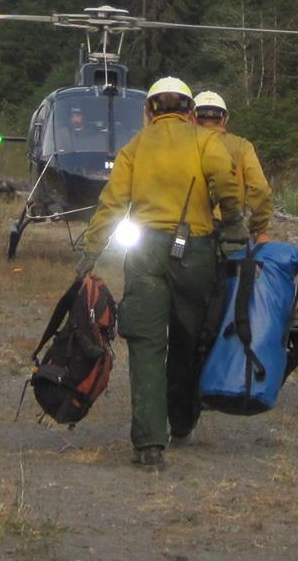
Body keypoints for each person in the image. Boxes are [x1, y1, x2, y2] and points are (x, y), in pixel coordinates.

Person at [82, 76, 240, 471]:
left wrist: (90, 250)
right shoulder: (206, 141)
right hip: (196, 252)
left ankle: (149, 445)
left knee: (146, 344)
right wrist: (234, 219)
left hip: (145, 254)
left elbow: (112, 203)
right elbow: (224, 179)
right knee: (190, 340)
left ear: (149, 111)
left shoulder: (133, 148)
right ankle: (183, 422)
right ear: (190, 112)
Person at [192, 89, 272, 253]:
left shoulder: (183, 146)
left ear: (192, 118)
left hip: (192, 233)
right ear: (223, 119)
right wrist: (258, 228)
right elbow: (260, 188)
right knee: (234, 276)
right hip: (230, 231)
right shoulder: (242, 146)